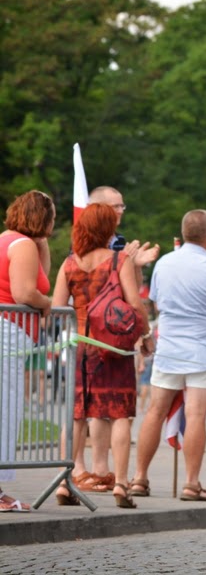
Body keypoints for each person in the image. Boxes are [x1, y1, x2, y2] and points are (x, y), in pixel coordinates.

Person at [130, 210, 206, 502]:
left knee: (154, 411)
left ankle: (140, 477)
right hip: (200, 351)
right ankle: (191, 483)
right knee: (195, 415)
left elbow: (154, 302)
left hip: (169, 348)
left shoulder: (165, 263)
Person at [51, 203, 152, 508]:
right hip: (114, 349)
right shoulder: (118, 261)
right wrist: (145, 336)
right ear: (107, 228)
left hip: (81, 349)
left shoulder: (70, 263)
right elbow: (135, 304)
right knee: (120, 414)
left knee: (77, 414)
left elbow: (57, 307)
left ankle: (64, 482)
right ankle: (121, 483)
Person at [76, 186, 160, 494]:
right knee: (106, 411)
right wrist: (146, 333)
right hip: (98, 341)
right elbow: (132, 300)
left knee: (103, 410)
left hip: (109, 339)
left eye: (123, 205)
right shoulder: (85, 248)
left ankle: (102, 473)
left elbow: (131, 292)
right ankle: (108, 476)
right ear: (97, 209)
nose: (121, 211)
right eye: (115, 206)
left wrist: (136, 266)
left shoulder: (118, 247)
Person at [0, 190, 55, 513]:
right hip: (9, 333)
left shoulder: (11, 241)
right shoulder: (20, 245)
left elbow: (41, 275)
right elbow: (25, 291)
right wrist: (48, 304)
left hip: (11, 334)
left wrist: (42, 240)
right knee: (5, 409)